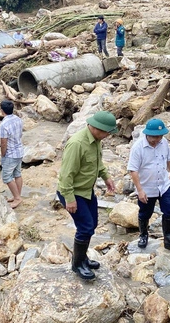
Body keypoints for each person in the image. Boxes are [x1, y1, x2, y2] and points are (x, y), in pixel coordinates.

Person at [57, 111, 118, 280]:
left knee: (92, 224)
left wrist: (106, 177)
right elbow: (66, 175)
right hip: (73, 192)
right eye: (107, 132)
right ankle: (77, 265)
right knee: (85, 227)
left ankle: (83, 257)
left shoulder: (96, 140)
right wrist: (69, 199)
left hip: (86, 190)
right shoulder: (77, 144)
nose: (108, 136)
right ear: (97, 128)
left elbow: (97, 163)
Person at [128, 118, 170, 250]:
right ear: (147, 134)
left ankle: (169, 239)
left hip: (163, 184)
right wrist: (140, 190)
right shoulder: (138, 148)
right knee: (145, 213)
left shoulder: (163, 142)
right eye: (154, 137)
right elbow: (133, 170)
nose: (157, 139)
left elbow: (169, 159)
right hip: (147, 187)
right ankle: (143, 235)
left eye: (159, 136)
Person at [0, 100, 24, 208]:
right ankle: (17, 195)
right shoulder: (18, 119)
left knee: (7, 177)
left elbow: (3, 142)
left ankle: (17, 198)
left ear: (1, 110)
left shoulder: (3, 124)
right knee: (17, 174)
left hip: (11, 153)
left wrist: (2, 154)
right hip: (19, 150)